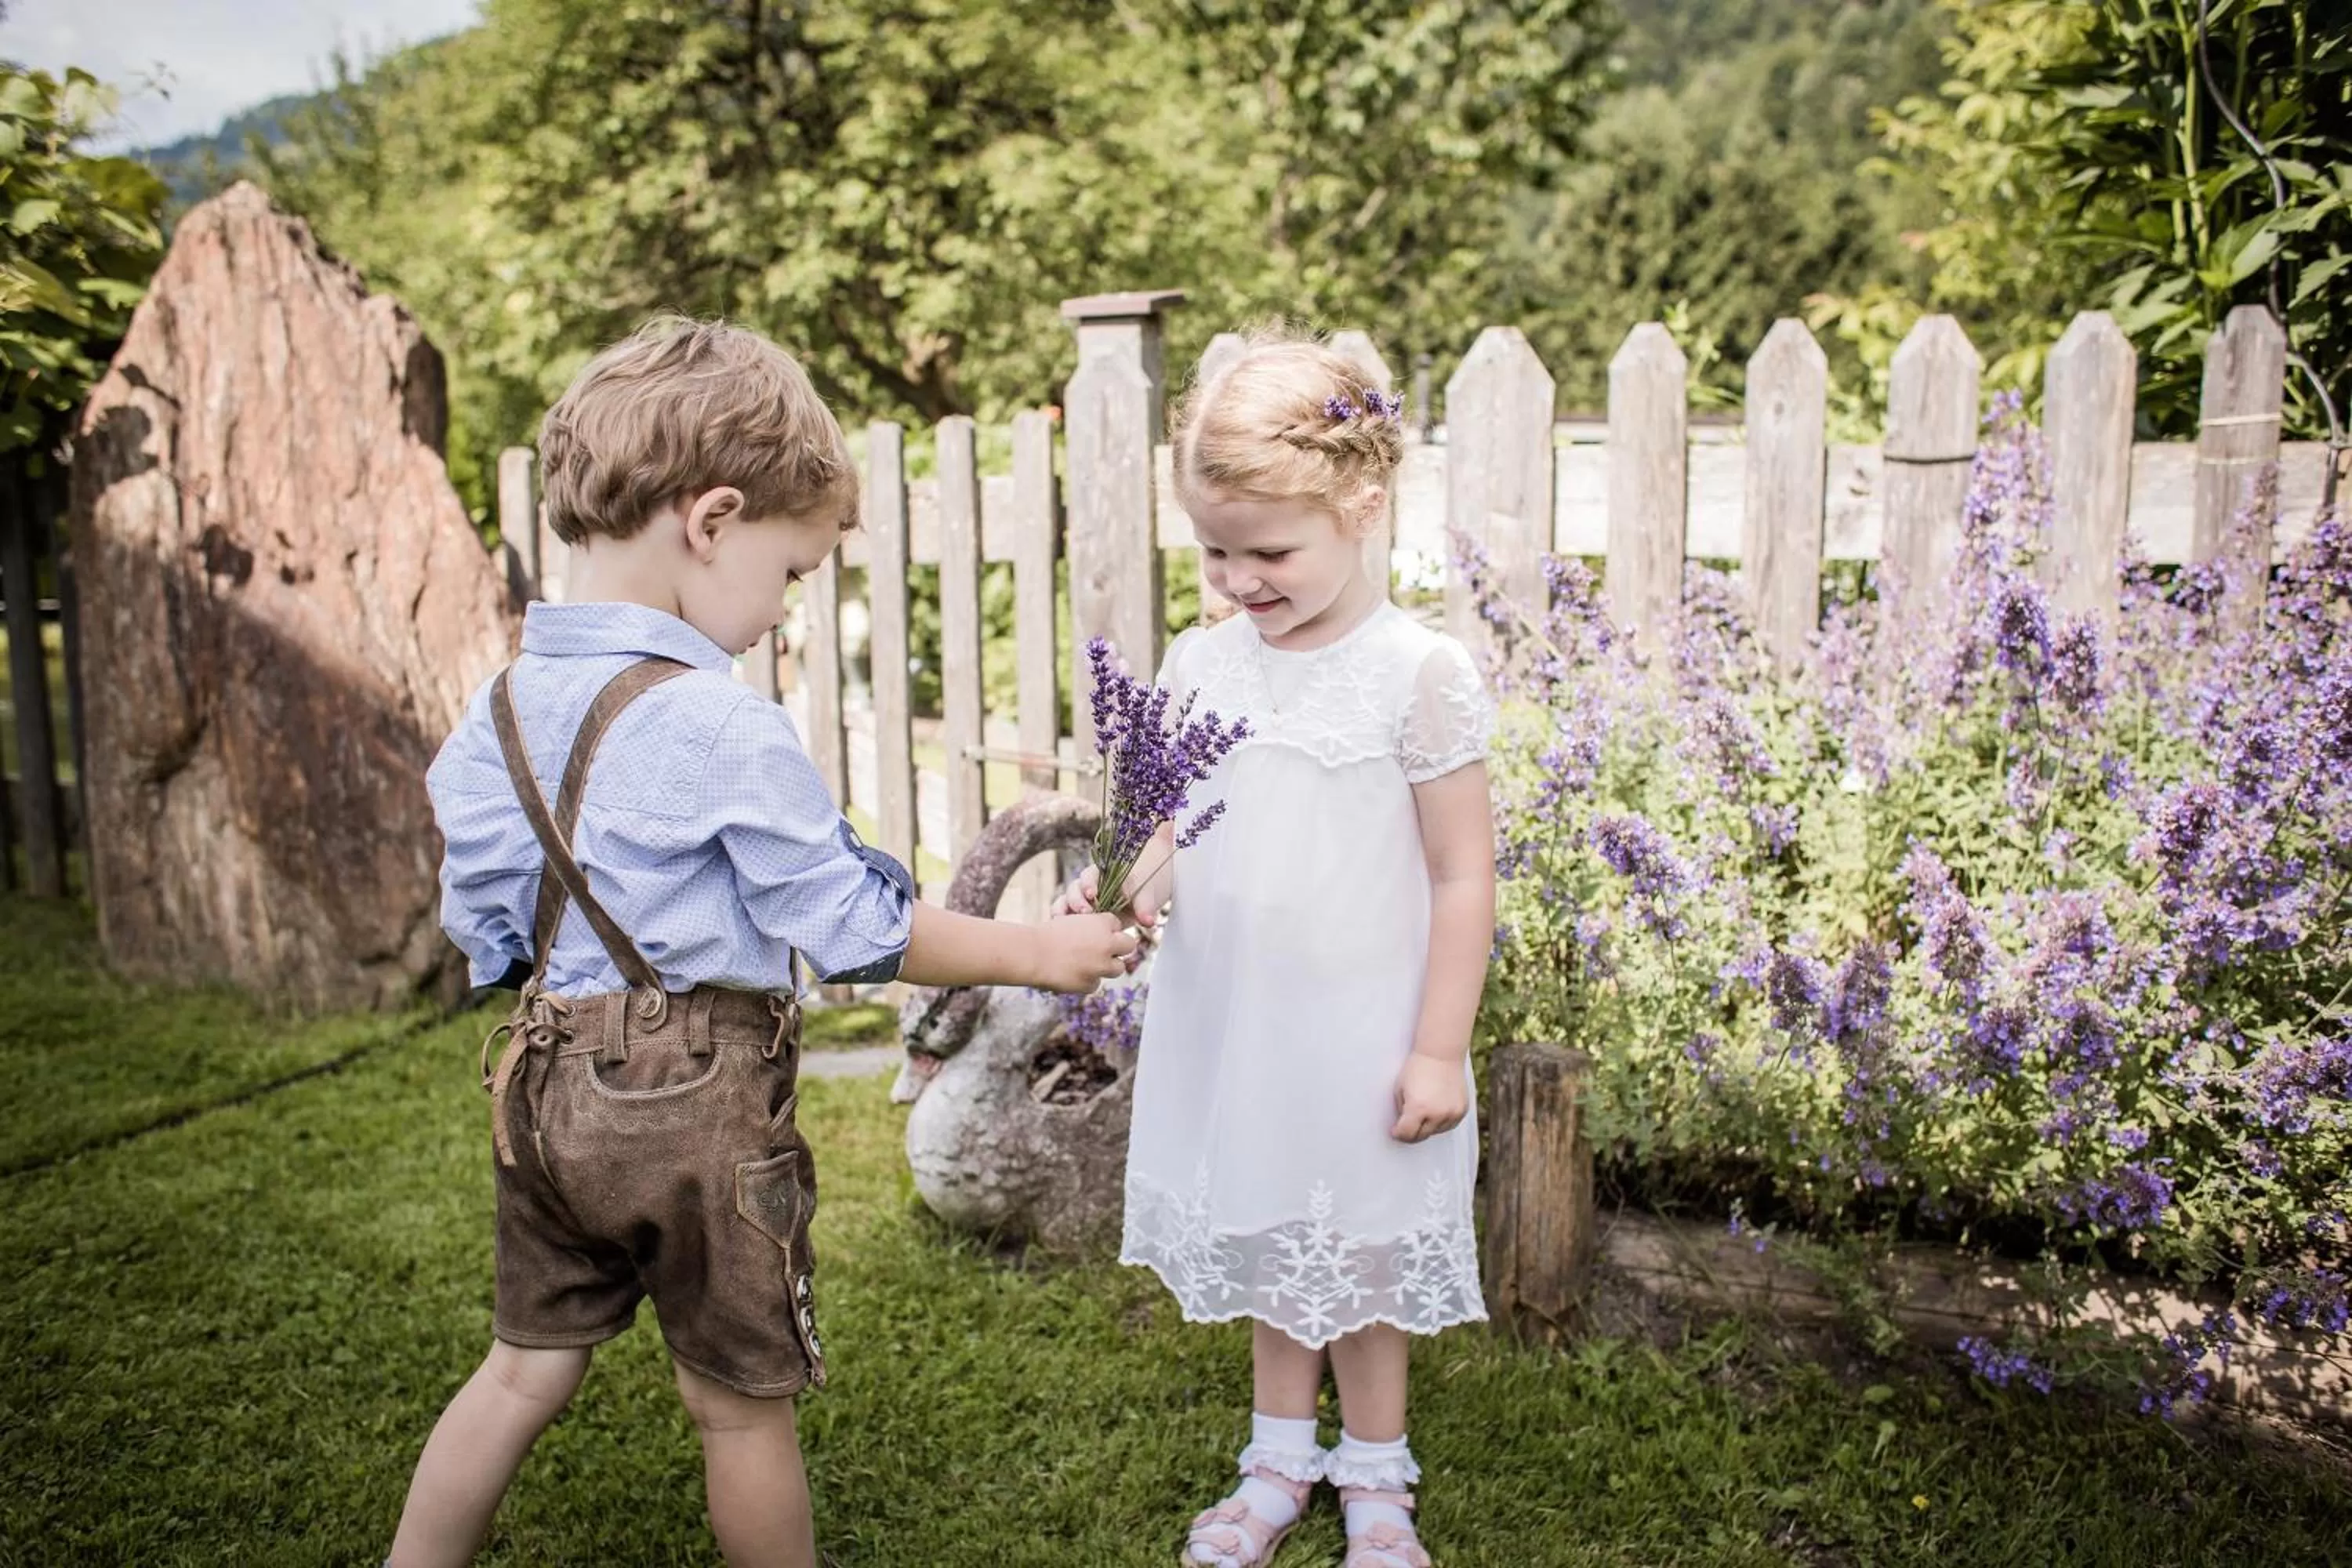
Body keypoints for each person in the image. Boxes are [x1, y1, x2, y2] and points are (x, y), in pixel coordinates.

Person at [390, 317, 1136, 1568]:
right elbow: (851, 928)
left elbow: (485, 915)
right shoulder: (719, 723)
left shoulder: (498, 708)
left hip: (542, 1086)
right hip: (693, 1102)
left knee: (522, 1369)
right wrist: (1038, 955)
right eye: (792, 572)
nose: (786, 613)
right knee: (739, 1408)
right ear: (713, 520)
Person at [1058, 328, 1497, 1568]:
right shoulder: (1202, 662)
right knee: (1271, 1234)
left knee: (1357, 1249)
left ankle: (1378, 1477)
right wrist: (1125, 891)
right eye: (1216, 550)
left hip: (1366, 1031)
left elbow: (1463, 874)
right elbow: (1173, 826)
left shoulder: (1417, 673)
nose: (1240, 579)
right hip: (1242, 1023)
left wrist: (1439, 1049)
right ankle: (1278, 1461)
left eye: (1270, 552)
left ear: (1361, 507)